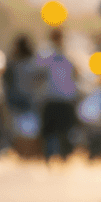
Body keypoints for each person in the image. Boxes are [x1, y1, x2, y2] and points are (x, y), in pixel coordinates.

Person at [36, 28, 80, 163]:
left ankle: (58, 156)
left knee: (57, 130)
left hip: (57, 98)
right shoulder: (55, 54)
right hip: (58, 98)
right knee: (59, 130)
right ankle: (56, 155)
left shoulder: (47, 54)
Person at [3, 34, 40, 158]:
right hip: (28, 98)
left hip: (16, 98)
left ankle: (21, 151)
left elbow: (6, 82)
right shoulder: (33, 63)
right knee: (29, 128)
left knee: (16, 127)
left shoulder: (12, 63)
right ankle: (27, 152)